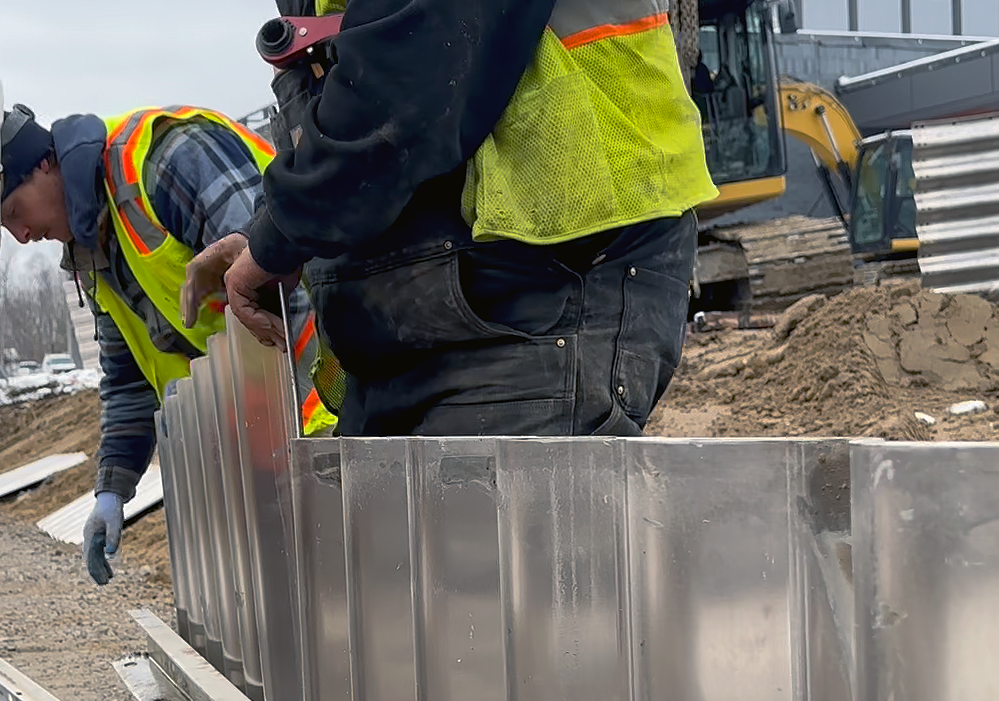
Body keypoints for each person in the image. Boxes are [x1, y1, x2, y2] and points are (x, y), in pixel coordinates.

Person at [187, 0, 717, 437]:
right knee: (410, 559)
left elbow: (417, 62)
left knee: (495, 554)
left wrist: (282, 233)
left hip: (544, 285)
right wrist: (281, 228)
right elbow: (351, 91)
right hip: (423, 319)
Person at [0, 91, 325, 585]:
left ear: (42, 164)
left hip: (331, 410)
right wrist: (112, 489)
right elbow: (129, 381)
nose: (22, 237)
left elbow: (287, 276)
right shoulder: (96, 253)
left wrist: (311, 447)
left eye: (15, 212)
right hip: (267, 448)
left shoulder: (165, 160)